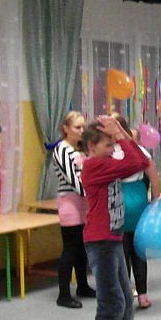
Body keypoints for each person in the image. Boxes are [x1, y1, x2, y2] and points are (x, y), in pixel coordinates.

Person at [79, 115, 150, 320]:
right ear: (91, 147)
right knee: (112, 302)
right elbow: (137, 162)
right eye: (107, 145)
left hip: (113, 238)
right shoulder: (94, 166)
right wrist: (120, 134)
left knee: (125, 298)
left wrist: (120, 132)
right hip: (101, 242)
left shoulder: (105, 162)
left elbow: (141, 160)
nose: (112, 149)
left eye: (113, 144)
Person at [112, 114, 161, 310]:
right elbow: (154, 180)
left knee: (121, 252)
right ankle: (143, 295)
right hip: (139, 199)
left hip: (118, 201)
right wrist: (154, 203)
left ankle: (124, 294)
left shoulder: (109, 152)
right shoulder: (140, 151)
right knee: (139, 251)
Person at [50, 111, 96, 309]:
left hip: (84, 202)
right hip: (70, 202)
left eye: (83, 127)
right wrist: (92, 191)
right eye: (77, 127)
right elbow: (74, 180)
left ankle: (82, 286)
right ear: (66, 129)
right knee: (70, 247)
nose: (81, 130)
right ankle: (63, 294)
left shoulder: (81, 149)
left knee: (82, 248)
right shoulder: (61, 150)